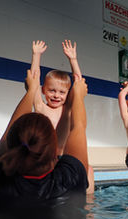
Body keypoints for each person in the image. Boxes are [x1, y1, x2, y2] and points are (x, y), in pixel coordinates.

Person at [0, 69, 89, 206]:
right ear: (53, 148)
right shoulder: (69, 180)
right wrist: (79, 96)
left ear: (12, 144)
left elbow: (11, 130)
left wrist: (31, 91)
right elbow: (79, 127)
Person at [30, 40, 94, 193]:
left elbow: (78, 84)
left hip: (63, 158)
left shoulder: (67, 110)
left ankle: (87, 206)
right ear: (44, 90)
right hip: (44, 160)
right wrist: (36, 55)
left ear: (67, 94)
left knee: (89, 170)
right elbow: (33, 78)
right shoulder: (40, 107)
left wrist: (73, 59)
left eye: (61, 92)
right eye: (52, 90)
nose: (56, 95)